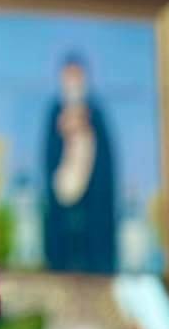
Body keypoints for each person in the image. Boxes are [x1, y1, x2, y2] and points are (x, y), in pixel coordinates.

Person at [42, 52, 118, 273]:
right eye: (69, 76)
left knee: (92, 238)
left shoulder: (96, 113)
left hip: (92, 197)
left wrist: (84, 130)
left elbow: (105, 159)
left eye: (77, 76)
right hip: (63, 192)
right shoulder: (55, 112)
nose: (73, 82)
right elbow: (49, 154)